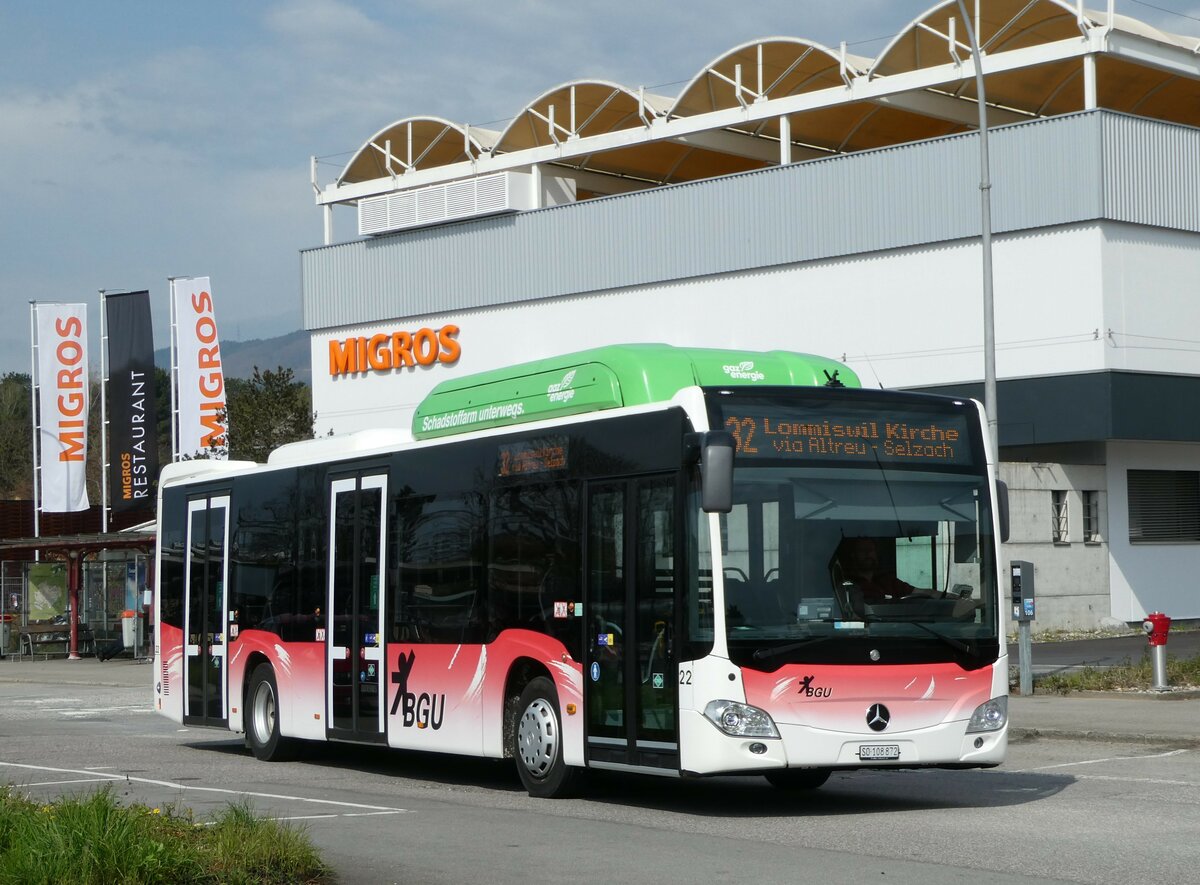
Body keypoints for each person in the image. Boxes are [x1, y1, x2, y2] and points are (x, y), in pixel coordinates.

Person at [839, 537, 916, 604]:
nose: (868, 553)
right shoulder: (846, 585)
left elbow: (917, 593)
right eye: (862, 550)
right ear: (853, 555)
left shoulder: (888, 581)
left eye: (871, 550)